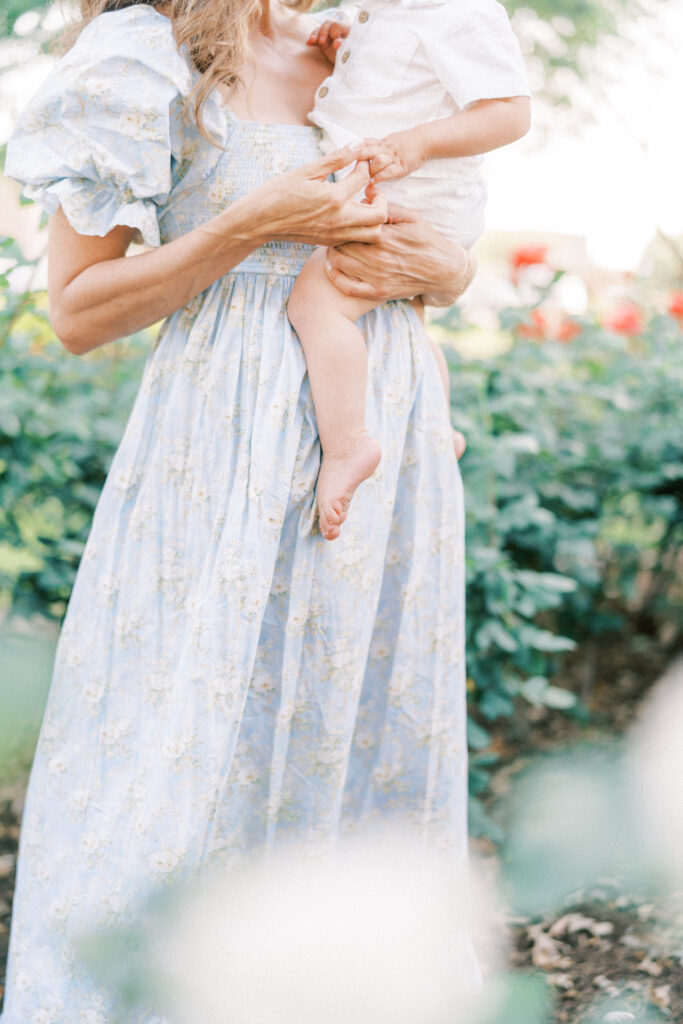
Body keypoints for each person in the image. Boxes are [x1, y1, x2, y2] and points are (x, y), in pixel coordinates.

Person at [1, 0, 478, 1020]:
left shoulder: (376, 53)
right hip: (221, 443)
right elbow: (77, 313)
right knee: (182, 749)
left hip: (384, 427)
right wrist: (251, 225)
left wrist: (443, 264)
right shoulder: (146, 57)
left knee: (356, 737)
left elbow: (442, 261)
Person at [288, 0, 530, 540]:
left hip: (412, 202)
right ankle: (441, 426)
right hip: (397, 195)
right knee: (411, 323)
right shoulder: (382, 11)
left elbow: (512, 111)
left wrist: (418, 143)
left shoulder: (462, 11)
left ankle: (350, 446)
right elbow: (400, 82)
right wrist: (347, 48)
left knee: (315, 302)